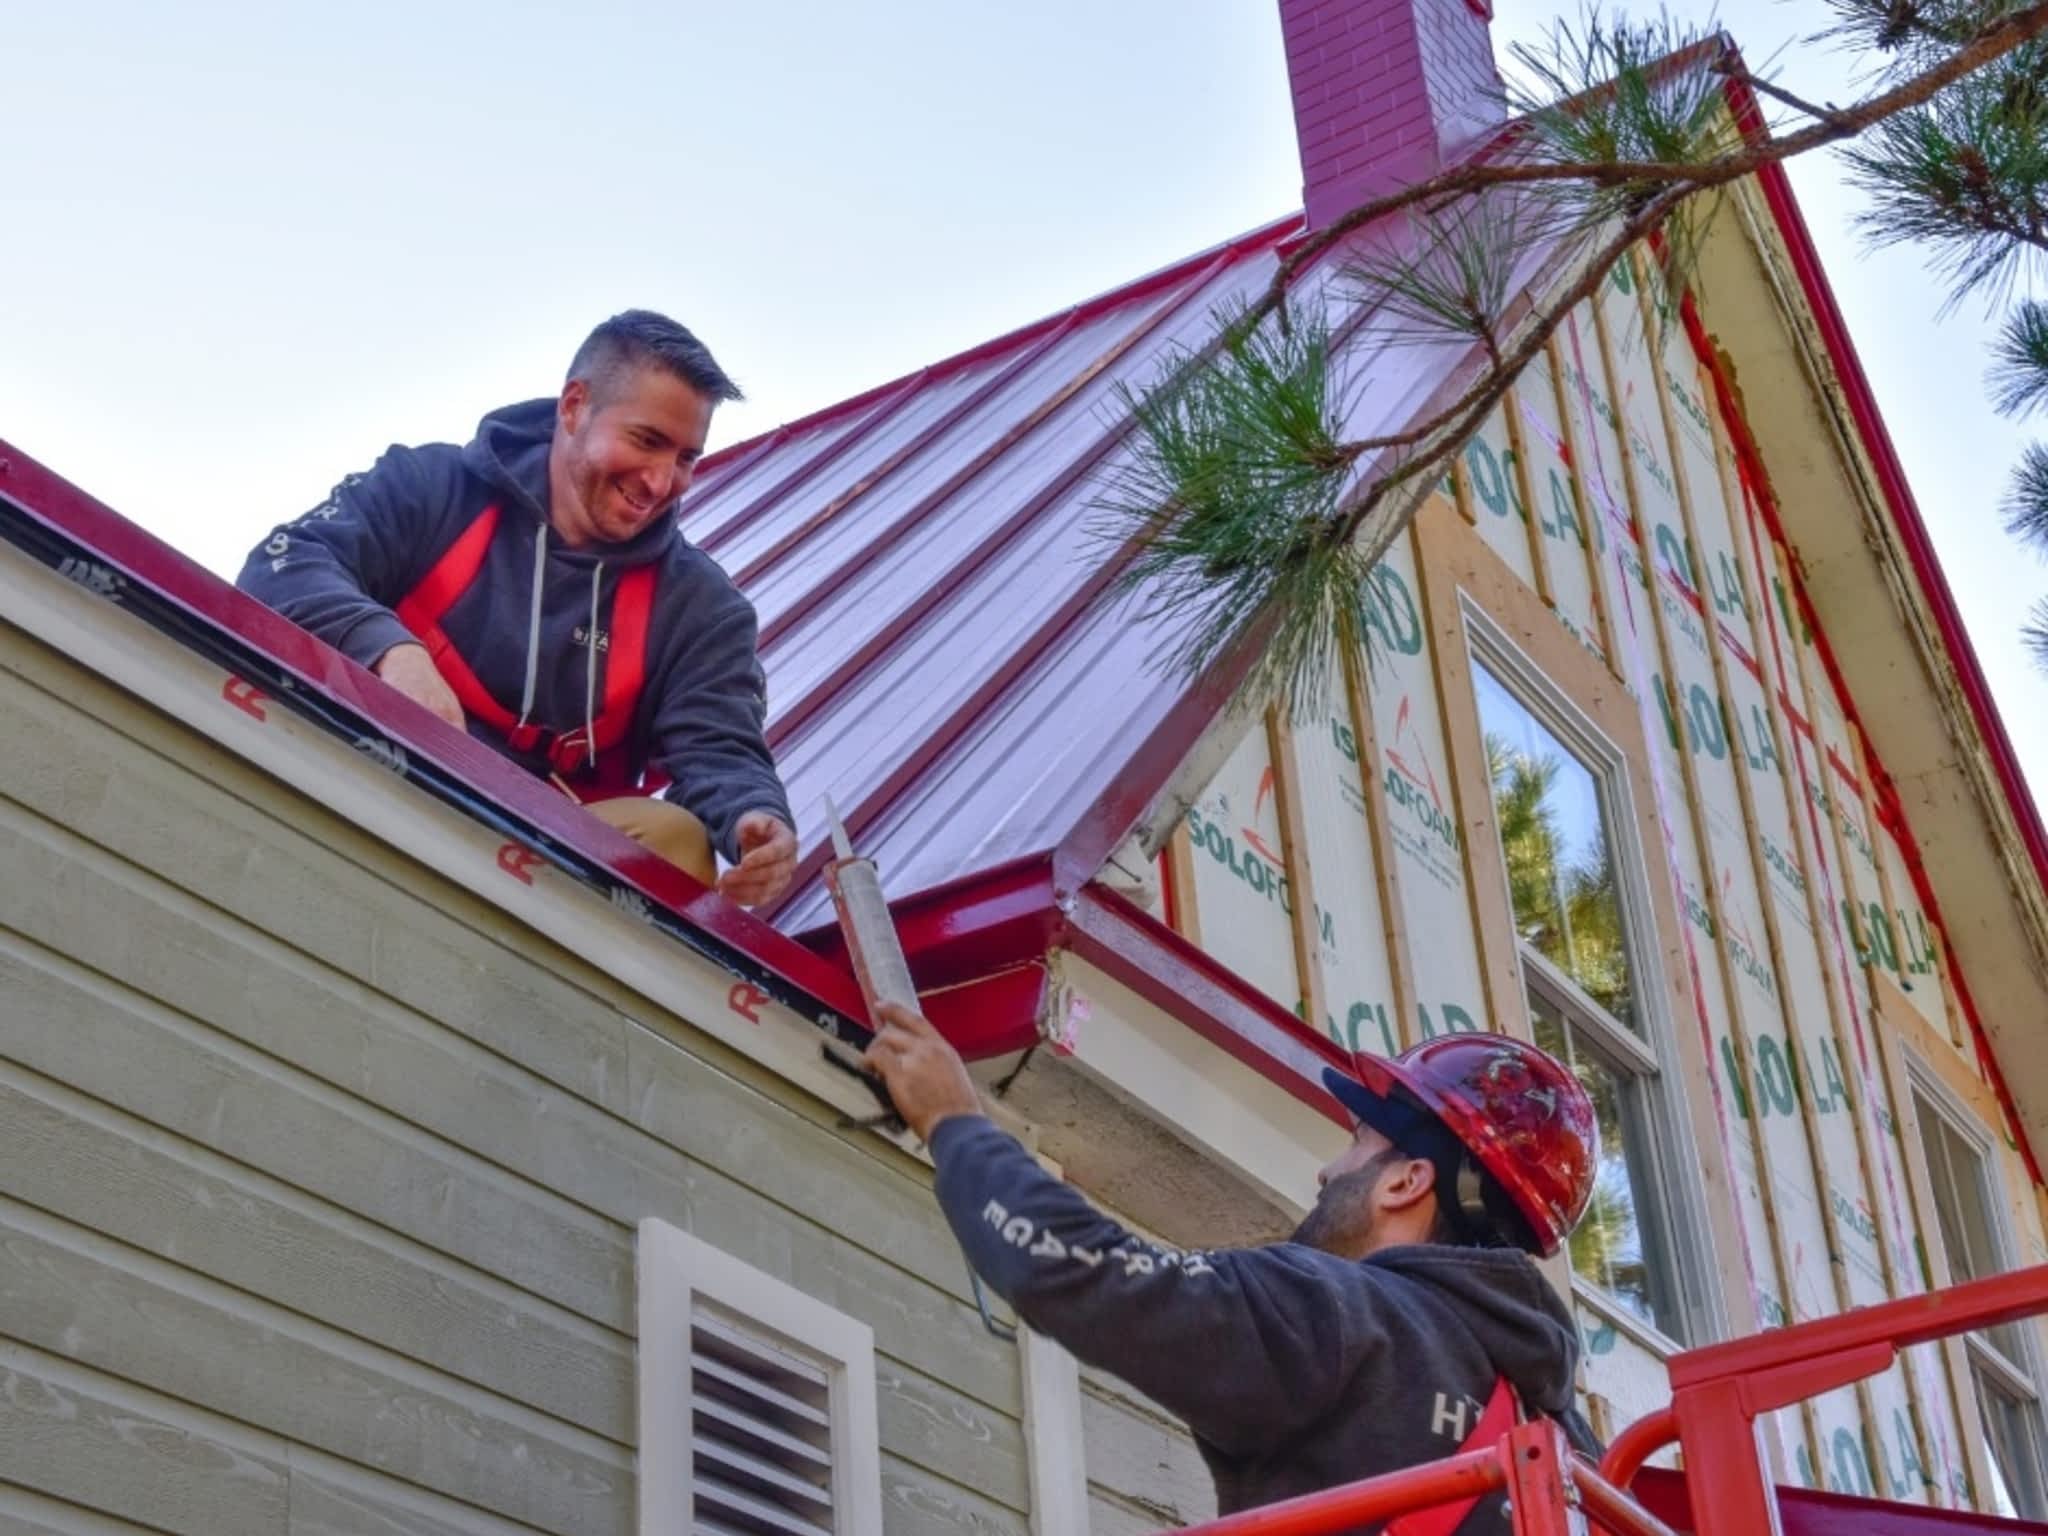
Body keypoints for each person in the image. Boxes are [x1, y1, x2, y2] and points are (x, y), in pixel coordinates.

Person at [864, 1002, 1602, 1532]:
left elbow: (1082, 1273)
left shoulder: (1335, 1314)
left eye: (1354, 1145)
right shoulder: (1583, 1458)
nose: (1324, 1173)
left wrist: (954, 1121)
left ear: (1405, 1181)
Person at [236, 309, 796, 906]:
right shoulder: (430, 486)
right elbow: (283, 564)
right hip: (369, 792)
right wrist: (390, 651)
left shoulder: (702, 606)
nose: (662, 482)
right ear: (575, 406)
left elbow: (721, 747)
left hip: (543, 877)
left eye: (685, 457)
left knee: (678, 838)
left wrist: (753, 815)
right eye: (647, 441)